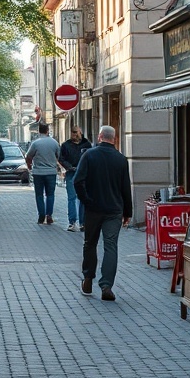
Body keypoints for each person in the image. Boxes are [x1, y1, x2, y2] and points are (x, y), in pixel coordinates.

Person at [73, 125, 132, 302]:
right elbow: (125, 188)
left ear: (100, 137)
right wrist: (127, 212)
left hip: (93, 209)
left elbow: (78, 181)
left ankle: (88, 279)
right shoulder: (121, 159)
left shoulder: (89, 155)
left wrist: (86, 200)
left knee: (90, 243)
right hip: (114, 210)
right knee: (110, 246)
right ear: (114, 138)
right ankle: (106, 285)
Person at [25, 122, 60, 225]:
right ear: (47, 130)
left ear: (39, 131)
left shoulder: (35, 143)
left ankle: (41, 215)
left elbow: (29, 156)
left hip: (38, 173)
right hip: (51, 172)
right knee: (50, 194)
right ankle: (49, 215)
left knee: (39, 195)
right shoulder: (54, 143)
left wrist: (30, 166)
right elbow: (59, 156)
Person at [59, 125, 91, 232]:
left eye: (76, 132)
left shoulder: (87, 144)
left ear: (81, 132)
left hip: (84, 175)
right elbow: (61, 159)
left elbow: (91, 158)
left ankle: (83, 223)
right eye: (73, 132)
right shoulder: (65, 145)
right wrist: (69, 167)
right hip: (71, 174)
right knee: (71, 198)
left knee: (83, 198)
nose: (75, 134)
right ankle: (72, 222)